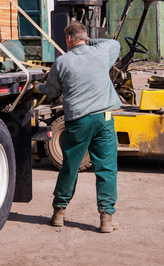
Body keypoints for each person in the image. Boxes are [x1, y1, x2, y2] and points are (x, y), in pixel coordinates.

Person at [34, 22, 122, 233]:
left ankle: (59, 213)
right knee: (106, 169)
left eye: (67, 40)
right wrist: (89, 41)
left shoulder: (62, 62)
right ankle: (106, 218)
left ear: (70, 39)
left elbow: (53, 92)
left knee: (70, 167)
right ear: (85, 37)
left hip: (77, 122)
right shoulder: (101, 52)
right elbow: (115, 43)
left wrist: (37, 86)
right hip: (104, 119)